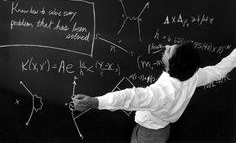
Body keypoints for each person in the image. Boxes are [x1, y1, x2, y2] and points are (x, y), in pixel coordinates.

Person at [72, 42, 236, 143]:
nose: (166, 46)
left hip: (148, 136)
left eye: (169, 50)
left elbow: (129, 97)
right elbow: (218, 71)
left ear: (172, 65)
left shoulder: (161, 94)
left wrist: (95, 102)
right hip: (161, 130)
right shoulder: (193, 75)